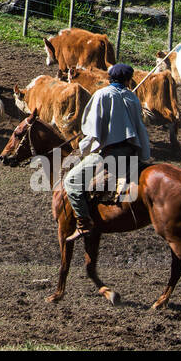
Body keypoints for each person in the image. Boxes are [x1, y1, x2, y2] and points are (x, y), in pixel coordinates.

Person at [62, 63, 152, 241]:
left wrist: (84, 149)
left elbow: (92, 128)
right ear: (127, 80)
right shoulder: (132, 98)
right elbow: (139, 127)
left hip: (109, 154)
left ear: (110, 78)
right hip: (131, 152)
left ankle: (84, 224)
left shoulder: (102, 95)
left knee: (71, 182)